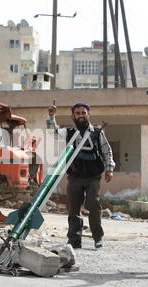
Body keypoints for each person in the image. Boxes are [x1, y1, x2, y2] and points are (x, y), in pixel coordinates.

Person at [46, 103, 115, 249]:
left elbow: (106, 150)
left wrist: (109, 169)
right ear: (73, 116)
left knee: (93, 205)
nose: (81, 115)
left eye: (83, 113)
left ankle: (98, 238)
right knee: (73, 209)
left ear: (88, 114)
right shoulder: (69, 132)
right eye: (78, 113)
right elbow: (54, 132)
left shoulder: (97, 132)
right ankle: (74, 240)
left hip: (93, 176)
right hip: (75, 176)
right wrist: (51, 116)